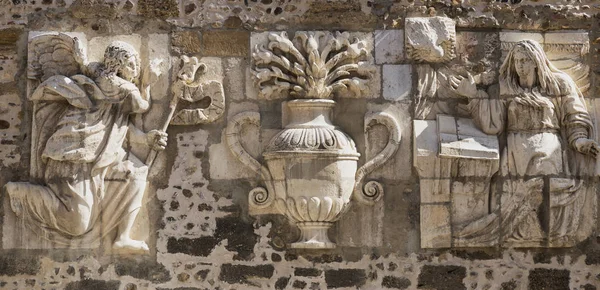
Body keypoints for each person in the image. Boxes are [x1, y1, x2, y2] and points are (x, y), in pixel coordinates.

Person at [5, 41, 167, 251]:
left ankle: (122, 238)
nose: (135, 70)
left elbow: (117, 125)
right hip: (75, 154)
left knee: (136, 173)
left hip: (102, 152)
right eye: (132, 64)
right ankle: (22, 192)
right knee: (77, 224)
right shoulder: (121, 87)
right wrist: (147, 84)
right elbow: (142, 106)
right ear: (119, 64)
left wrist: (146, 139)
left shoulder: (97, 72)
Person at [449, 39, 598, 246]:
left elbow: (575, 116)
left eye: (526, 60)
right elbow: (494, 124)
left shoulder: (559, 84)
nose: (521, 65)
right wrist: (473, 96)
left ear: (537, 61)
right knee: (514, 197)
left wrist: (580, 140)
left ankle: (548, 234)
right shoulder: (505, 88)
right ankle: (521, 238)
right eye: (517, 60)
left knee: (545, 191)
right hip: (515, 151)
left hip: (548, 148)